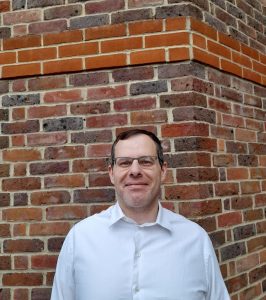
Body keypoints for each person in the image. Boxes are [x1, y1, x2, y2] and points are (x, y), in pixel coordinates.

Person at [51, 129, 230, 300]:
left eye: (145, 161)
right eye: (124, 163)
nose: (135, 171)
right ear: (111, 173)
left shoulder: (196, 240)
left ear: (163, 170)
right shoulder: (80, 238)